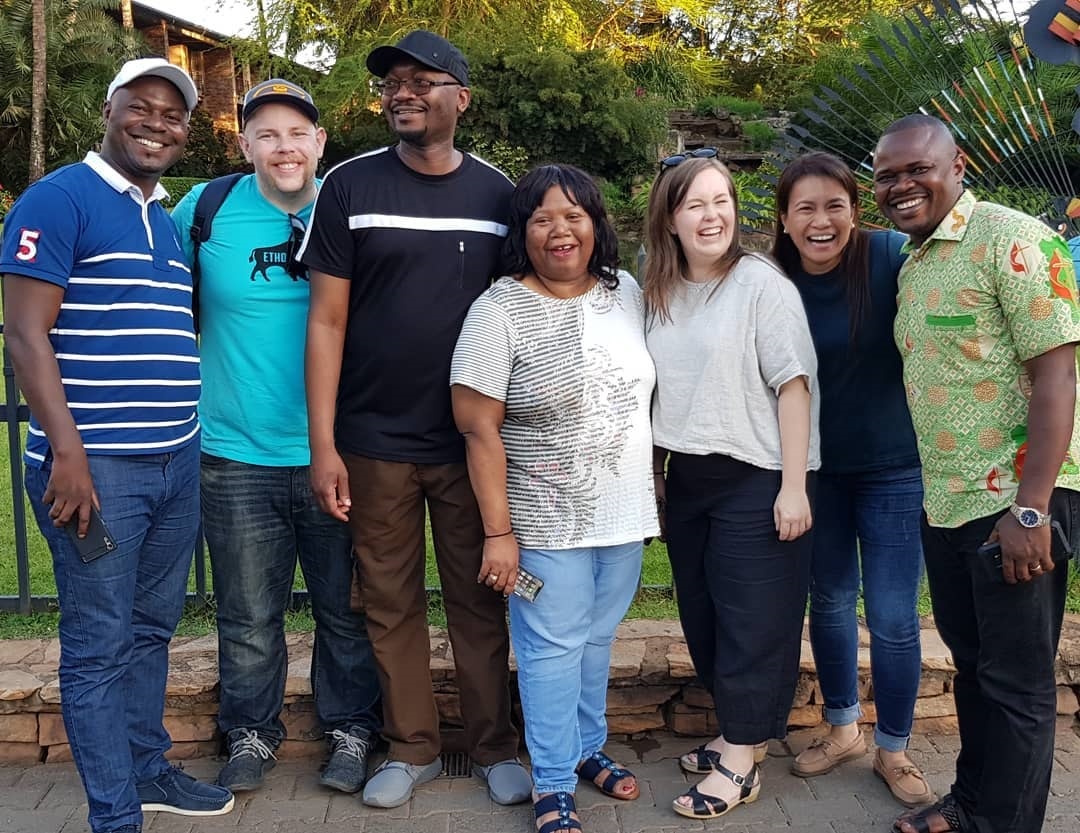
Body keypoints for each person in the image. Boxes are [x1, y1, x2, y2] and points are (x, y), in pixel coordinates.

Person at [0, 58, 234, 833]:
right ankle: (114, 813)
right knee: (99, 643)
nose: (157, 124)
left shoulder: (163, 218)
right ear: (111, 109)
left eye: (174, 115)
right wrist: (66, 454)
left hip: (174, 465)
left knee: (149, 630)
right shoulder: (59, 198)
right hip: (95, 475)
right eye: (143, 107)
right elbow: (26, 335)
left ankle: (145, 769)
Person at [299, 29, 530, 809]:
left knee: (479, 596)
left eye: (422, 81)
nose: (402, 92)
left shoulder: (499, 196)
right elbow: (326, 322)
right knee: (390, 600)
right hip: (373, 442)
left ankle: (493, 743)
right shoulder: (349, 186)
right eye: (392, 82)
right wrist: (324, 444)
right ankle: (413, 746)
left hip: (472, 445)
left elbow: (520, 319)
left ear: (460, 97)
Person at [170, 79, 382, 795]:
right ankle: (251, 732)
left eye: (297, 132)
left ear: (320, 143)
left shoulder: (351, 207)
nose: (283, 146)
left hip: (340, 451)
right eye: (266, 133)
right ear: (244, 145)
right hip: (235, 450)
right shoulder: (204, 210)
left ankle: (352, 727)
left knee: (345, 606)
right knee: (248, 612)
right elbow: (159, 295)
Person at [873, 113, 1080, 833]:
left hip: (1018, 502)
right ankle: (972, 804)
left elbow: (1057, 375)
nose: (900, 186)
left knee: (1020, 685)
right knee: (976, 669)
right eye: (886, 175)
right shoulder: (915, 259)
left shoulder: (1012, 238)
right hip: (950, 502)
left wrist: (1032, 510)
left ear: (958, 164)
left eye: (915, 169)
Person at [450, 164, 659, 833]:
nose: (560, 229)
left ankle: (586, 748)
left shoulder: (623, 291)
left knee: (596, 639)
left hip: (623, 513)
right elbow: (477, 425)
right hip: (544, 518)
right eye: (542, 217)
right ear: (523, 232)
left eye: (574, 215)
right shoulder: (498, 309)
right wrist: (499, 532)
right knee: (549, 647)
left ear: (596, 225)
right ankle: (551, 781)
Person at [643, 151, 819, 821]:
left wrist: (794, 485)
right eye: (695, 203)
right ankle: (733, 728)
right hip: (689, 479)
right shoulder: (657, 288)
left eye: (721, 200)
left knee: (754, 621)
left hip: (759, 473)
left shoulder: (760, 284)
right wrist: (655, 481)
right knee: (706, 614)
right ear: (671, 217)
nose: (712, 214)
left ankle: (742, 758)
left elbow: (794, 384)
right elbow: (654, 393)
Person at [771, 152, 933, 808]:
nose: (820, 220)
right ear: (783, 220)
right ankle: (842, 727)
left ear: (854, 211)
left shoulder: (890, 256)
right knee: (831, 601)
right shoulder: (771, 279)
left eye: (834, 205)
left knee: (894, 615)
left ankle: (893, 745)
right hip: (815, 472)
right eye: (805, 208)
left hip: (896, 467)